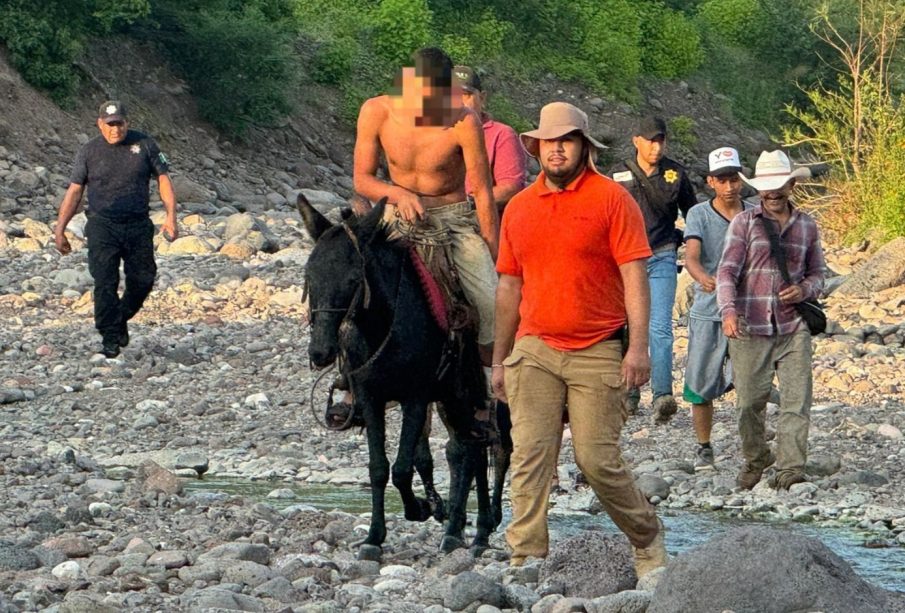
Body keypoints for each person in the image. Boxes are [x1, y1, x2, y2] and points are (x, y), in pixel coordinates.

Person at [492, 101, 666, 578]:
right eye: (549, 141)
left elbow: (635, 275)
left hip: (599, 345)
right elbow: (508, 285)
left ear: (584, 147)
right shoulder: (520, 208)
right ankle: (526, 555)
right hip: (535, 345)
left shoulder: (612, 199)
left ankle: (647, 538)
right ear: (537, 148)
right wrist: (499, 359)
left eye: (567, 140)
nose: (557, 149)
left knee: (596, 460)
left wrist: (639, 348)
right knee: (530, 453)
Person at [353, 47, 498, 361]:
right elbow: (362, 180)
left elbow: (484, 192)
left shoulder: (464, 120)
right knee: (353, 285)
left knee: (490, 301)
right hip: (396, 212)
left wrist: (492, 250)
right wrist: (399, 194)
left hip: (453, 217)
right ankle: (352, 379)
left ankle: (488, 376)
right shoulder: (377, 110)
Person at [717, 150, 826, 490]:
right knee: (749, 403)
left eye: (779, 185)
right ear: (758, 190)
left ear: (792, 185)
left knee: (797, 400)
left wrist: (804, 289)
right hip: (751, 326)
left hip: (794, 327)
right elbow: (727, 271)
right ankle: (756, 457)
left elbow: (819, 274)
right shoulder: (744, 223)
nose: (773, 193)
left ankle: (791, 468)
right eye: (767, 187)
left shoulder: (807, 225)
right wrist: (729, 311)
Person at [54, 100, 178, 358]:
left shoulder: (145, 144)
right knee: (105, 281)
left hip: (137, 224)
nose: (115, 129)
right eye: (110, 125)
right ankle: (110, 337)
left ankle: (119, 318)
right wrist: (60, 229)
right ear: (100, 125)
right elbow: (75, 190)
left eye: (119, 124)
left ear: (126, 123)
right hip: (102, 225)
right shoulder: (89, 151)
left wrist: (171, 217)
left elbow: (163, 180)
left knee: (143, 279)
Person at [609, 117, 696, 423]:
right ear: (636, 141)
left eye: (661, 141)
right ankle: (630, 395)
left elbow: (693, 214)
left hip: (661, 256)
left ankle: (662, 395)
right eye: (649, 140)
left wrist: (691, 244)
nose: (656, 147)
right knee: (626, 327)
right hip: (623, 262)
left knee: (659, 326)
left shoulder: (676, 173)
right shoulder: (617, 175)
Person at [682, 147, 753, 471]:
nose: (729, 187)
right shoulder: (698, 214)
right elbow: (693, 256)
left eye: (734, 179)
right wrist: (702, 277)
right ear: (711, 181)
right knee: (700, 381)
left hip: (746, 307)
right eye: (722, 180)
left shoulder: (754, 213)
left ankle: (753, 444)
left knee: (753, 380)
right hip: (709, 307)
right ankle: (703, 446)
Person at [454, 65, 527, 213]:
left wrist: (466, 205)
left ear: (481, 98)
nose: (458, 102)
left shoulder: (501, 135)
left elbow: (511, 188)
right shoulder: (433, 133)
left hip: (476, 216)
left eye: (465, 94)